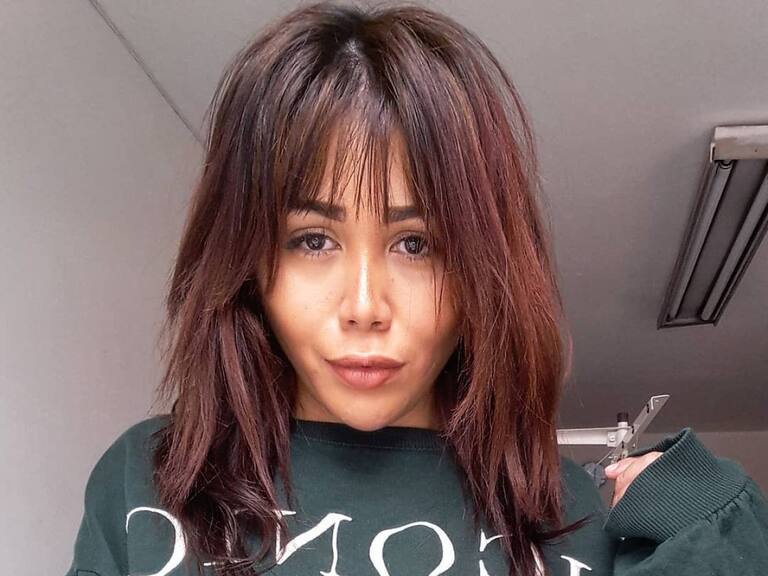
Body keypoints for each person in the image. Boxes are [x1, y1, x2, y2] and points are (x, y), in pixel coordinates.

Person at [65, 2, 768, 575]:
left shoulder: (574, 520)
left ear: (483, 270)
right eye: (313, 240)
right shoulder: (150, 485)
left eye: (416, 244)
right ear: (247, 259)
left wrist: (713, 526)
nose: (364, 307)